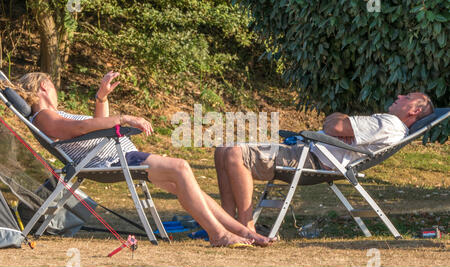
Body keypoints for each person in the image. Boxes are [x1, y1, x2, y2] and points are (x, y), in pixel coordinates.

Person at [15, 71, 273, 247]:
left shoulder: (51, 114)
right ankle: (218, 234)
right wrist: (124, 118)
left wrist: (101, 98)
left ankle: (243, 231)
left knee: (182, 182)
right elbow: (82, 129)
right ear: (44, 86)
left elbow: (93, 128)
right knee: (181, 167)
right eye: (53, 85)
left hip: (115, 156)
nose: (56, 89)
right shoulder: (45, 116)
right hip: (112, 161)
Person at [214, 92, 434, 232]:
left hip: (311, 160)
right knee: (222, 150)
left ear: (415, 110)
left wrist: (339, 121)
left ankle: (245, 227)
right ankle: (226, 221)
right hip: (306, 152)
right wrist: (340, 121)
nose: (400, 95)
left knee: (234, 153)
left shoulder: (389, 124)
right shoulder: (390, 125)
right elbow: (337, 126)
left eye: (407, 97)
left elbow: (333, 127)